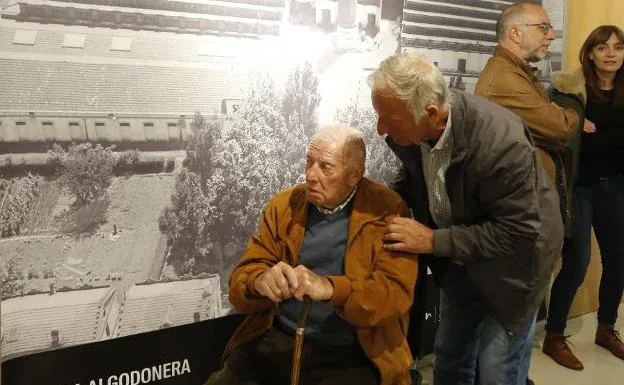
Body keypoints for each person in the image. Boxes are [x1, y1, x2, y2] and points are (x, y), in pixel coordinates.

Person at [368, 52, 563, 385]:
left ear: (430, 112)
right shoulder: (421, 129)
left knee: (497, 370)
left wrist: (431, 240)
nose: (380, 128)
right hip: (460, 258)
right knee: (451, 359)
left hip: (514, 268)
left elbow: (516, 234)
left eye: (389, 119)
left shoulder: (499, 142)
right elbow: (418, 173)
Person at [204, 125, 419, 385]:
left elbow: (393, 295)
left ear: (355, 174)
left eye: (325, 167)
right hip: (280, 336)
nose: (310, 175)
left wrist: (329, 288)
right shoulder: (284, 205)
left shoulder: (387, 211)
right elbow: (242, 278)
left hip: (355, 348)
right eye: (309, 162)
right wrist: (259, 281)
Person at [540, 25, 624, 370]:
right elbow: (549, 133)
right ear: (590, 53)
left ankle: (606, 328)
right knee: (576, 264)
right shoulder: (569, 93)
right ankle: (554, 336)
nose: (611, 54)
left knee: (619, 262)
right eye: (602, 48)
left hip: (616, 188)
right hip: (579, 190)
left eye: (618, 48)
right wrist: (573, 124)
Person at [475, 2, 582, 239]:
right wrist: (576, 110)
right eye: (544, 28)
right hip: (523, 218)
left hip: (531, 210)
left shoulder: (517, 73)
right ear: (515, 33)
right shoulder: (505, 79)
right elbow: (561, 128)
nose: (552, 35)